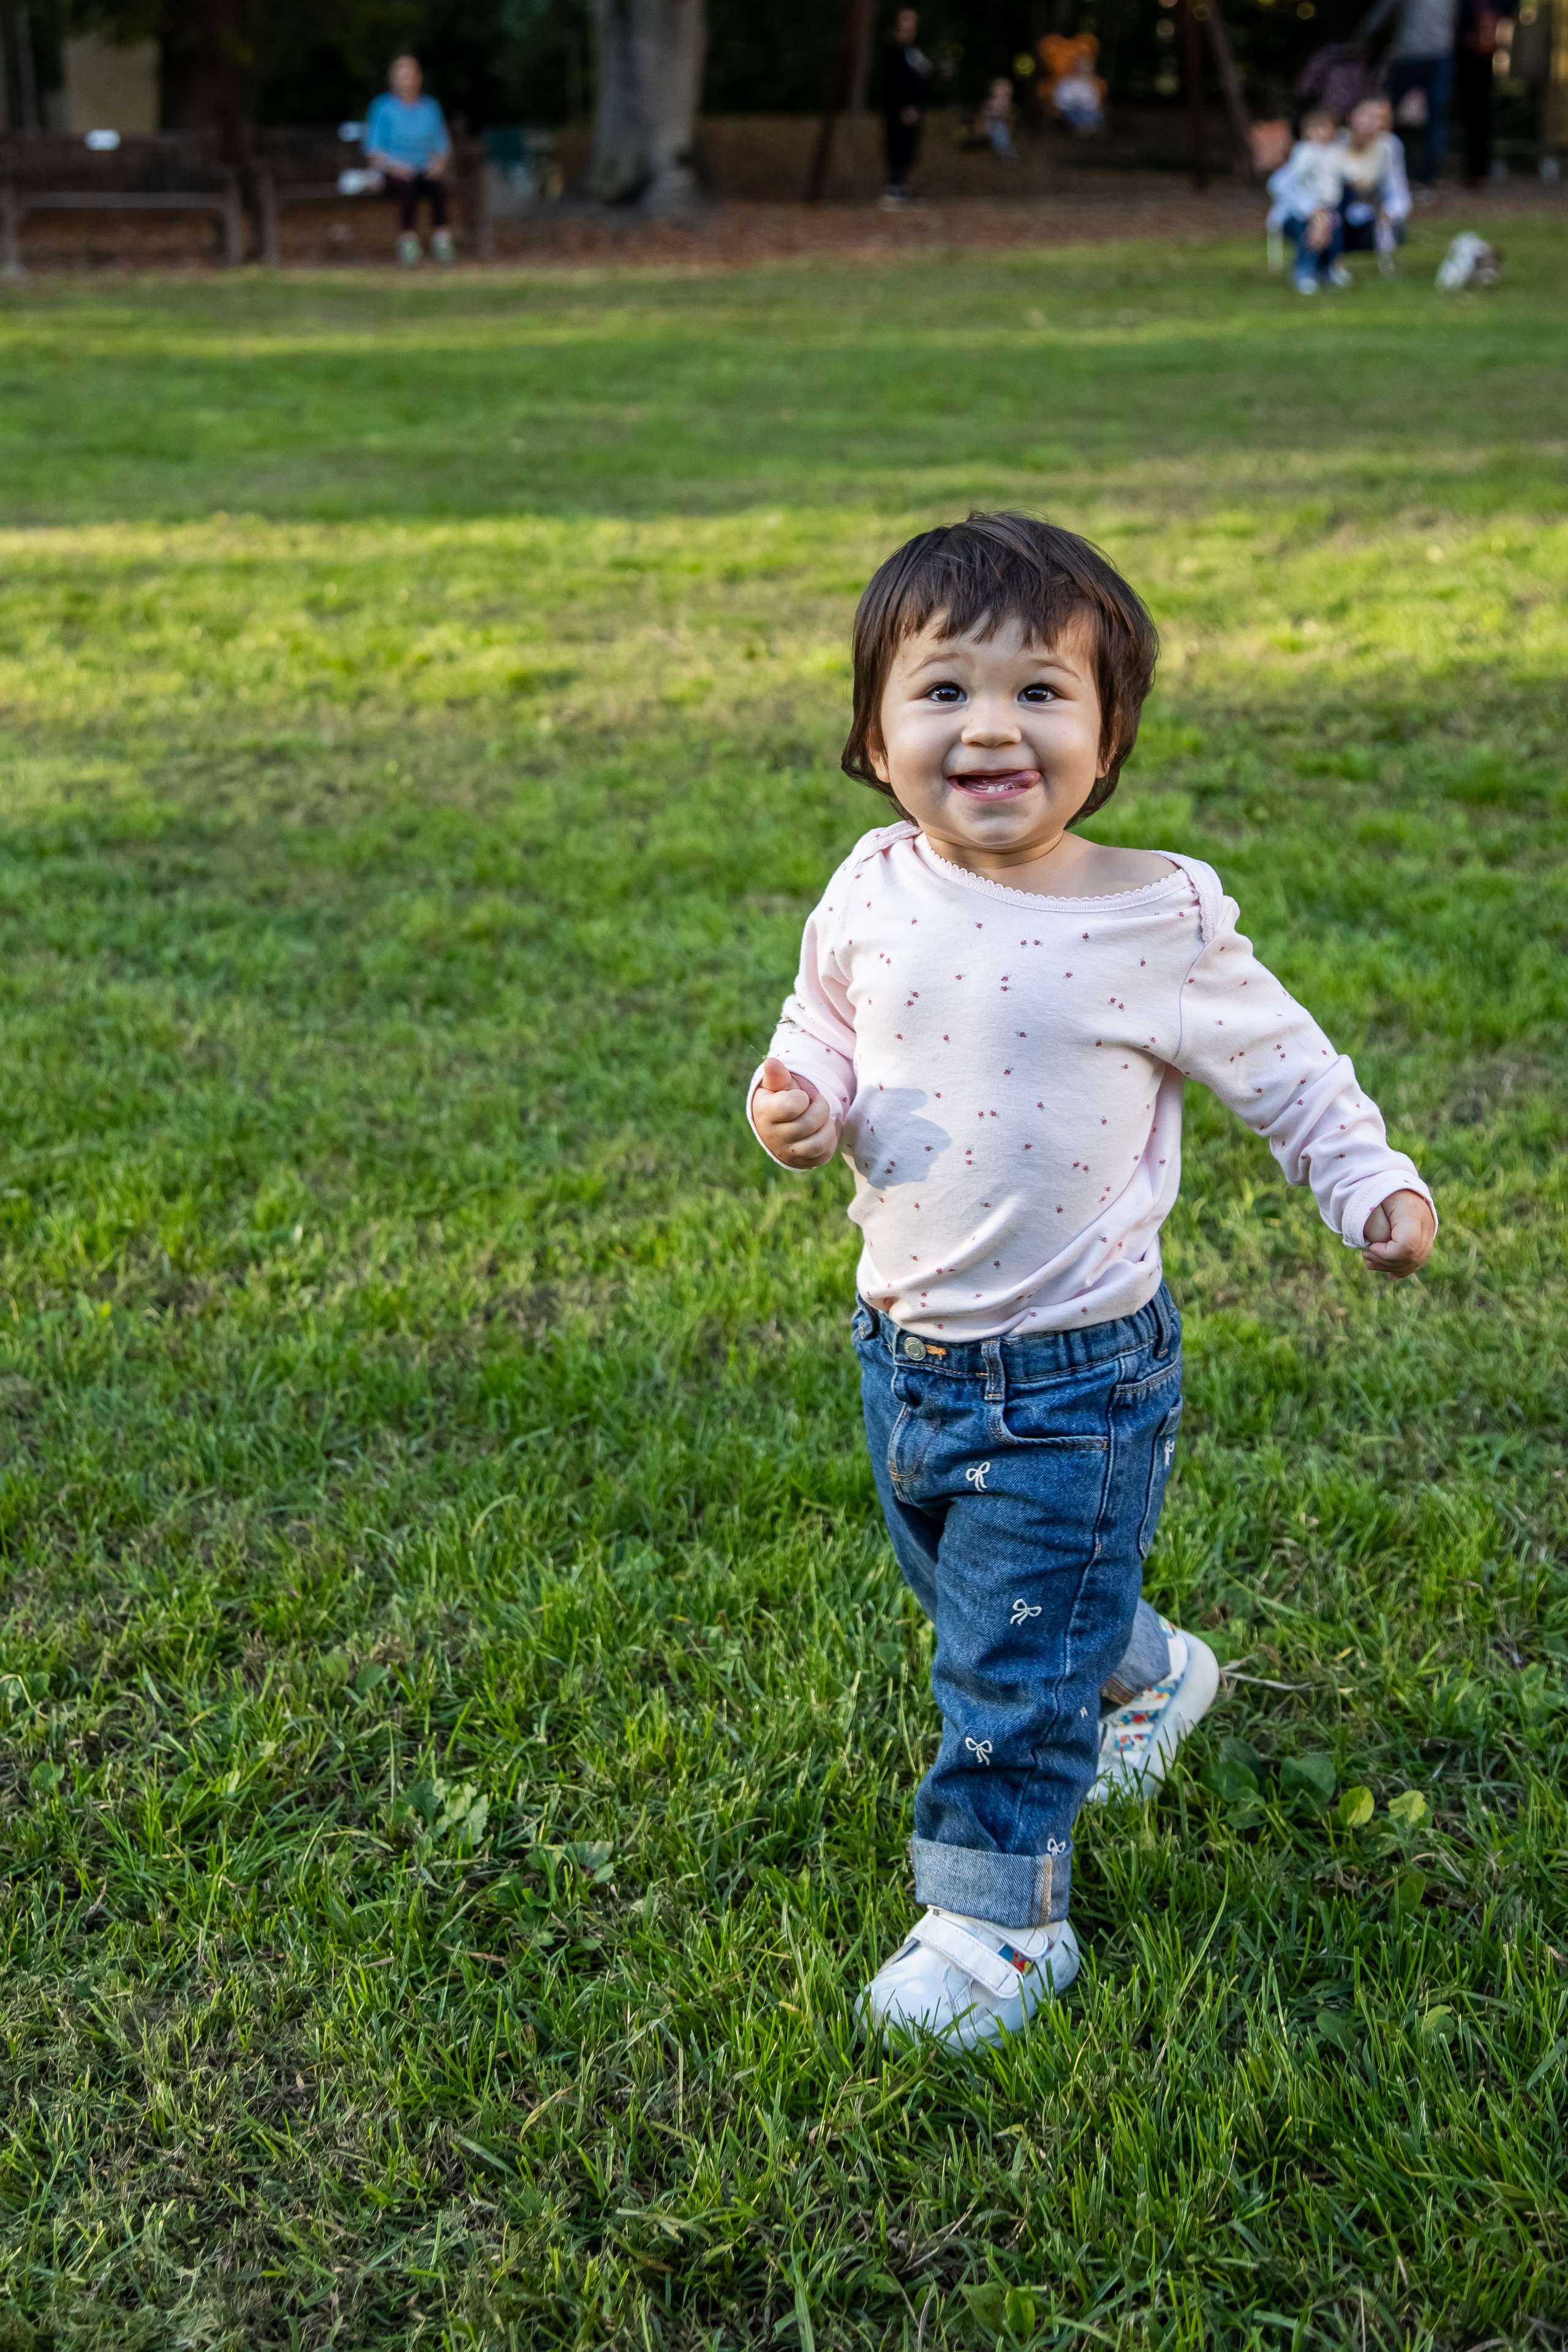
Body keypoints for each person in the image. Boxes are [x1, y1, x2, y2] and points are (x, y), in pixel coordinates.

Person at [748, 513, 1434, 2049]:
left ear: (1107, 732)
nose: (990, 728)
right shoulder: (869, 885)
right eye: (942, 692)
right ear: (871, 736)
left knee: (999, 1666)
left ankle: (999, 1921)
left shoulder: (1153, 919)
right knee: (980, 1597)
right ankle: (1145, 1670)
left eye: (1039, 693)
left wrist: (1366, 1181)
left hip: (1073, 1373)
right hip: (901, 1347)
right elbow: (820, 1025)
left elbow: (1291, 1073)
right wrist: (794, 1099)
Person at [364, 53, 454, 266]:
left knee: (437, 183)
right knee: (407, 184)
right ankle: (408, 240)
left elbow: (442, 146)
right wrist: (396, 167)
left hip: (425, 168)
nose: (408, 81)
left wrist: (438, 165)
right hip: (392, 171)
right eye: (403, 76)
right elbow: (373, 151)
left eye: (412, 75)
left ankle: (442, 239)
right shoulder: (382, 108)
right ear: (393, 80)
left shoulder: (430, 107)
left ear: (419, 78)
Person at [1359, 0, 1459, 186]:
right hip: (1440, 55)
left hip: (1411, 56)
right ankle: (1424, 178)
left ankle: (1377, 169)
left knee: (1384, 111)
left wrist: (1362, 36)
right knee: (1434, 120)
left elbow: (1381, 13)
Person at [1265, 107, 1351, 293]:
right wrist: (1312, 209)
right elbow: (1286, 183)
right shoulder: (1304, 152)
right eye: (1314, 128)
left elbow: (1343, 172)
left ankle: (1327, 269)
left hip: (1329, 207)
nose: (1320, 133)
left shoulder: (1335, 152)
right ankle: (1303, 272)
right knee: (1312, 237)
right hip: (1302, 212)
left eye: (1324, 128)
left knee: (1335, 238)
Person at [1337, 96, 1412, 268]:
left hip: (1370, 216)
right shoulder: (1337, 142)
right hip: (1339, 213)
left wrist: (1390, 212)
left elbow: (1398, 191)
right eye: (1370, 116)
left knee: (1393, 231)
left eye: (1383, 118)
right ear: (1353, 117)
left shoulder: (1389, 146)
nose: (1377, 123)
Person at [881, 7, 934, 209]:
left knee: (909, 147)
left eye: (913, 22)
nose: (910, 26)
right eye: (906, 20)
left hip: (914, 109)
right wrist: (905, 106)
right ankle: (893, 189)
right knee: (897, 145)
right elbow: (894, 83)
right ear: (898, 24)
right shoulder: (892, 51)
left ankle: (902, 186)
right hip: (898, 110)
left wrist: (917, 103)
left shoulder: (915, 52)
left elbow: (924, 77)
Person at [1454, 0, 1500, 183]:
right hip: (1463, 53)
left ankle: (1478, 170)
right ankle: (1476, 170)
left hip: (1478, 57)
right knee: (1474, 113)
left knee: (1479, 113)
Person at [982, 75, 1018, 160]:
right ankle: (1004, 153)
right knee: (999, 135)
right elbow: (986, 112)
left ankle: (1006, 152)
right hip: (992, 122)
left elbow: (1008, 113)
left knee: (1002, 134)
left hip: (1001, 123)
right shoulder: (992, 102)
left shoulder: (1006, 102)